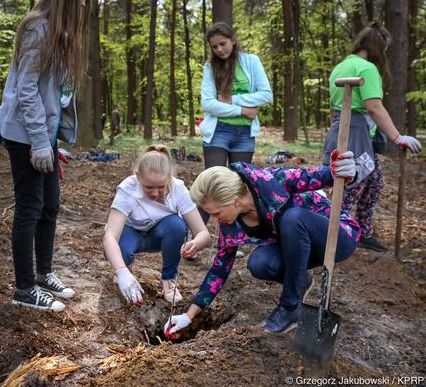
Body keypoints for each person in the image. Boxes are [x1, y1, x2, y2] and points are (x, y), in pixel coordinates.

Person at [0, 0, 95, 312]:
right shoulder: (38, 28)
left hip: (43, 134)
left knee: (50, 206)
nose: (84, 4)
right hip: (24, 134)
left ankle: (43, 274)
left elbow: (60, 91)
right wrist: (38, 140)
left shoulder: (63, 31)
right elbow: (27, 89)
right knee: (30, 208)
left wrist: (55, 136)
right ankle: (23, 290)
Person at [164, 157, 360, 336]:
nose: (215, 220)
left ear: (235, 201)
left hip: (336, 236)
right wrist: (189, 316)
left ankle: (290, 306)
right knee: (260, 262)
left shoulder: (272, 181)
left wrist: (345, 168)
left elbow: (321, 175)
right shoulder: (230, 223)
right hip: (298, 248)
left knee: (293, 219)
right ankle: (299, 282)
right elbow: (219, 269)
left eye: (217, 213)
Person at [323, 22, 422, 252]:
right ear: (378, 47)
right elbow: (374, 106)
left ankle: (363, 232)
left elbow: (333, 106)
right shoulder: (367, 68)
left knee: (374, 180)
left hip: (342, 128)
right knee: (352, 184)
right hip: (355, 131)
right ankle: (338, 236)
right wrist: (398, 138)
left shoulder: (340, 66)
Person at [103, 145, 212, 304]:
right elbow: (110, 236)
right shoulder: (128, 189)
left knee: (176, 225)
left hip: (159, 235)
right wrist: (122, 272)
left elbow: (203, 233)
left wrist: (195, 243)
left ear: (169, 177)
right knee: (120, 248)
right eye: (148, 187)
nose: (155, 193)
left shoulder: (178, 190)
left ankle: (169, 280)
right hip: (130, 234)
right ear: (138, 176)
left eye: (161, 187)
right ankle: (126, 271)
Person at [198, 22, 273, 224]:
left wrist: (232, 100)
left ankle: (233, 239)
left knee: (237, 190)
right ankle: (194, 236)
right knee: (211, 185)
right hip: (218, 132)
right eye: (214, 47)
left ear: (233, 40)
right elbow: (208, 104)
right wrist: (243, 110)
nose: (219, 49)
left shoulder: (251, 61)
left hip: (244, 135)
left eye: (223, 43)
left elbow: (266, 95)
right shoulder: (210, 67)